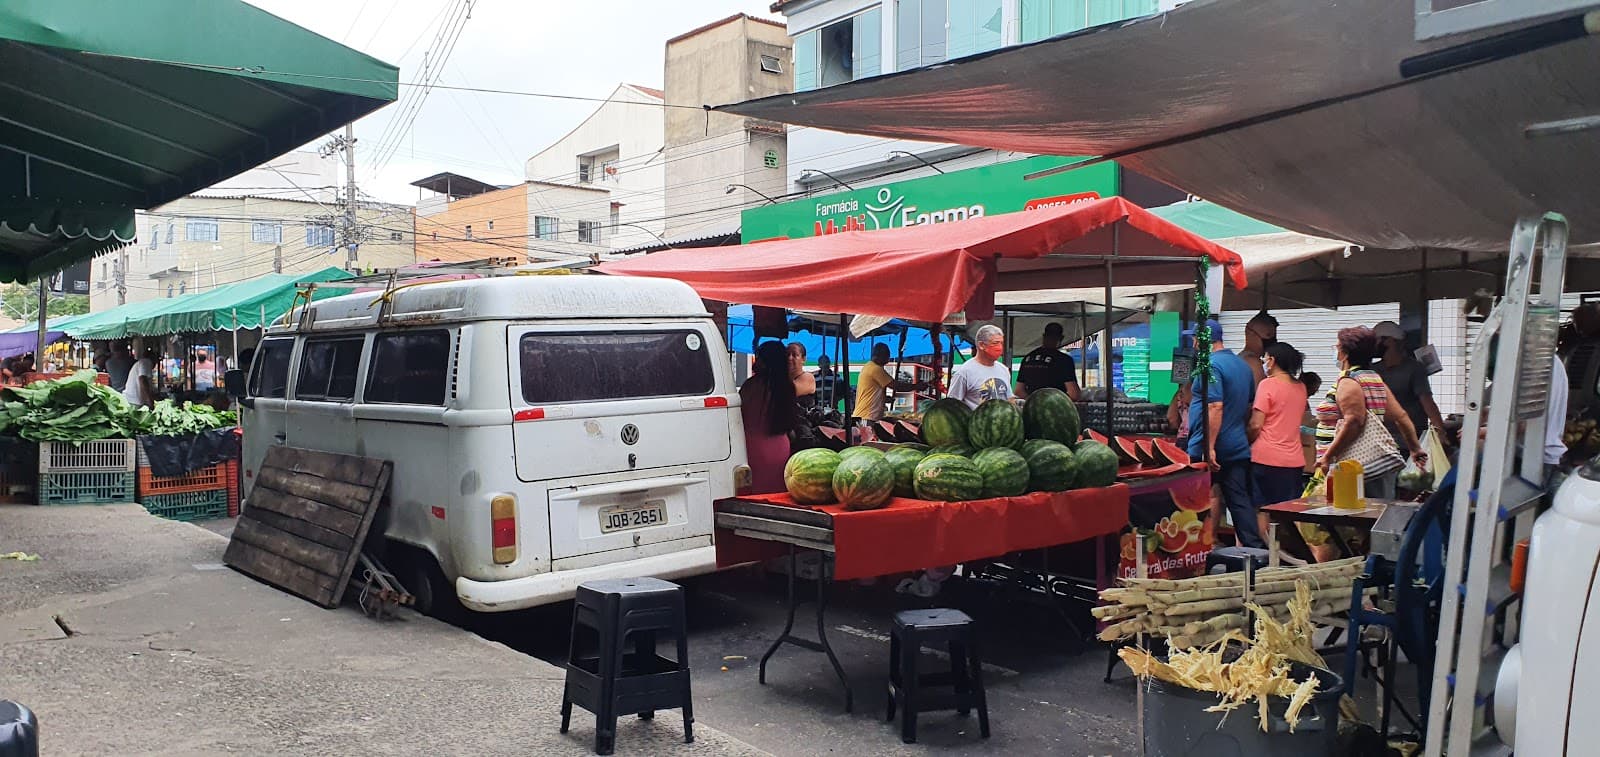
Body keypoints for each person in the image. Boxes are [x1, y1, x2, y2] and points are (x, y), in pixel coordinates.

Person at [1315, 326, 1426, 500]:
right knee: (1377, 510)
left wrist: (1328, 456)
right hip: (1374, 463)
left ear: (1344, 353)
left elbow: (1354, 421)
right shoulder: (1372, 377)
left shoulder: (1349, 381)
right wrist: (1415, 448)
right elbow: (1401, 416)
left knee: (1350, 511)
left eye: (1337, 346)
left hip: (1351, 465)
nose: (1335, 350)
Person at [1185, 319, 1264, 548]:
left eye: (1195, 339)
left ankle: (1195, 551)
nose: (1194, 343)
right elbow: (1248, 406)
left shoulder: (1209, 366)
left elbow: (1215, 406)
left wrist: (1209, 446)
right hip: (1236, 445)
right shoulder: (1242, 366)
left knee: (1196, 502)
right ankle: (1255, 552)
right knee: (1239, 501)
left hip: (1207, 447)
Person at [1249, 343, 1310, 516]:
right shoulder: (1301, 387)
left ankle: (1265, 535)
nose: (1263, 362)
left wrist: (1246, 440)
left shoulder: (1267, 385)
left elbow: (1255, 425)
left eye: (1264, 359)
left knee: (1262, 510)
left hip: (1265, 458)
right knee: (1288, 512)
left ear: (1272, 360)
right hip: (1294, 461)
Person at [1373, 320, 1447, 453]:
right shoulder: (1373, 370)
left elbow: (1427, 402)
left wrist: (1440, 431)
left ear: (1390, 341)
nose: (1373, 344)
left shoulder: (1414, 369)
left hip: (1409, 440)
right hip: (1381, 439)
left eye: (1376, 340)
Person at [739, 341, 796, 494]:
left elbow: (739, 416)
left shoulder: (750, 386)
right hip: (780, 448)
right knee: (777, 495)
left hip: (752, 448)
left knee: (756, 495)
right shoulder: (787, 387)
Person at [853, 343, 924, 422]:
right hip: (867, 416)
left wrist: (883, 399)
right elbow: (897, 386)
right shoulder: (875, 369)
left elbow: (871, 392)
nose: (888, 359)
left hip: (866, 415)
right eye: (887, 356)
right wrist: (916, 386)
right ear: (880, 356)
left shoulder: (869, 366)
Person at [947, 324, 1012, 409]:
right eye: (995, 343)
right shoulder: (964, 373)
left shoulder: (1003, 370)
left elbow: (1009, 399)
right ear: (981, 345)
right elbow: (951, 406)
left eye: (1001, 343)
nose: (999, 347)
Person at [1015, 322, 1082, 401]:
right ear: (1061, 338)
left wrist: (1034, 402)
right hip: (1056, 406)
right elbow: (1074, 394)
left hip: (1032, 406)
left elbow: (1019, 391)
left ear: (1043, 336)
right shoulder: (1064, 360)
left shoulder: (1028, 358)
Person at [1240, 312, 1279, 386]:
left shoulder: (1242, 359)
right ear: (1251, 333)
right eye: (1267, 335)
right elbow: (1260, 392)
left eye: (1273, 337)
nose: (1271, 342)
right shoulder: (1253, 363)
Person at [1299, 372, 1323, 474]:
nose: (1316, 391)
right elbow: (1301, 424)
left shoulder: (1304, 400)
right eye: (1316, 388)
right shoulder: (1299, 400)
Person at [787, 343, 816, 410]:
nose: (790, 358)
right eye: (787, 355)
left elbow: (788, 392)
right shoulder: (782, 379)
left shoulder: (808, 377)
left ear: (803, 359)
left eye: (795, 355)